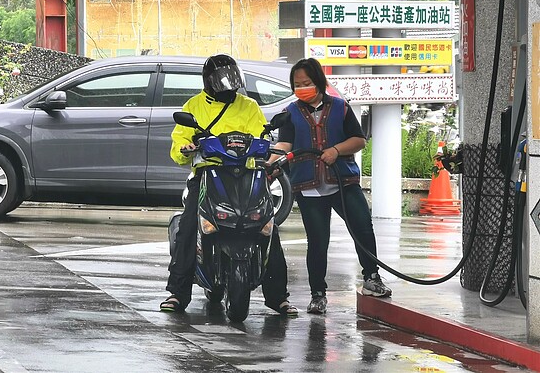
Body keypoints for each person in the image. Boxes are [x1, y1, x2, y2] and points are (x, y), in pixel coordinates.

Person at [160, 54, 298, 316]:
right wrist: (186, 148)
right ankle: (177, 293)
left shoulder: (248, 106)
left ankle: (278, 296)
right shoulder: (194, 106)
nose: (228, 88)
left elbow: (261, 135)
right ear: (208, 82)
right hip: (208, 175)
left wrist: (266, 153)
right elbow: (179, 144)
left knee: (268, 228)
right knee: (190, 227)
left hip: (246, 174)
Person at [272, 57, 392, 315]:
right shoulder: (290, 113)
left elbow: (359, 140)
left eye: (307, 82)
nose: (302, 87)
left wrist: (336, 150)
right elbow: (285, 144)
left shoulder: (340, 107)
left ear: (319, 82)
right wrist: (270, 163)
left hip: (343, 181)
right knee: (317, 241)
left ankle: (372, 278)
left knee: (362, 227)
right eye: (297, 84)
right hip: (308, 185)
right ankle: (318, 294)